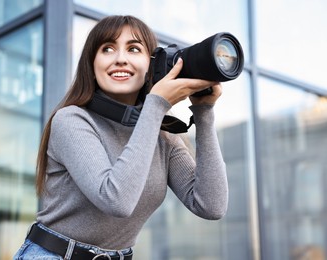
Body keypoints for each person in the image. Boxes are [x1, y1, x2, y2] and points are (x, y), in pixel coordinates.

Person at [13, 15, 228, 260]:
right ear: (92, 64)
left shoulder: (163, 138)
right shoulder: (71, 120)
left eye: (134, 49)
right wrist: (156, 104)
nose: (120, 59)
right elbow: (116, 200)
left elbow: (211, 205)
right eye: (108, 49)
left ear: (151, 64)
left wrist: (204, 111)